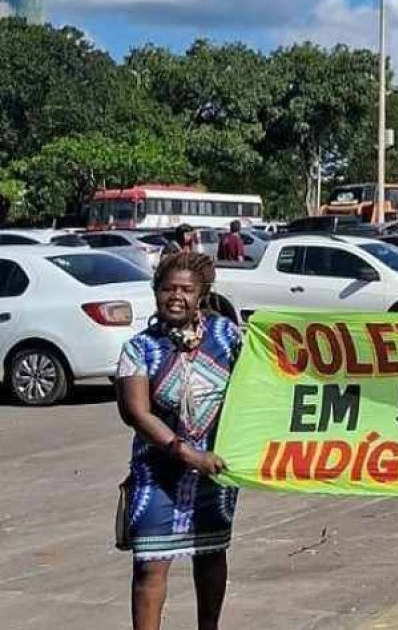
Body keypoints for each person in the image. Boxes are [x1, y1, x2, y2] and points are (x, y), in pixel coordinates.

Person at [115, 250, 241, 630]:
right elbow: (137, 414)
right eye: (168, 288)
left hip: (214, 472)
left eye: (186, 289)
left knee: (211, 555)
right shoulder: (139, 349)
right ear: (156, 292)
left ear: (201, 294)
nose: (176, 296)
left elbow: (256, 385)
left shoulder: (226, 337)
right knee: (151, 567)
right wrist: (186, 453)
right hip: (157, 475)